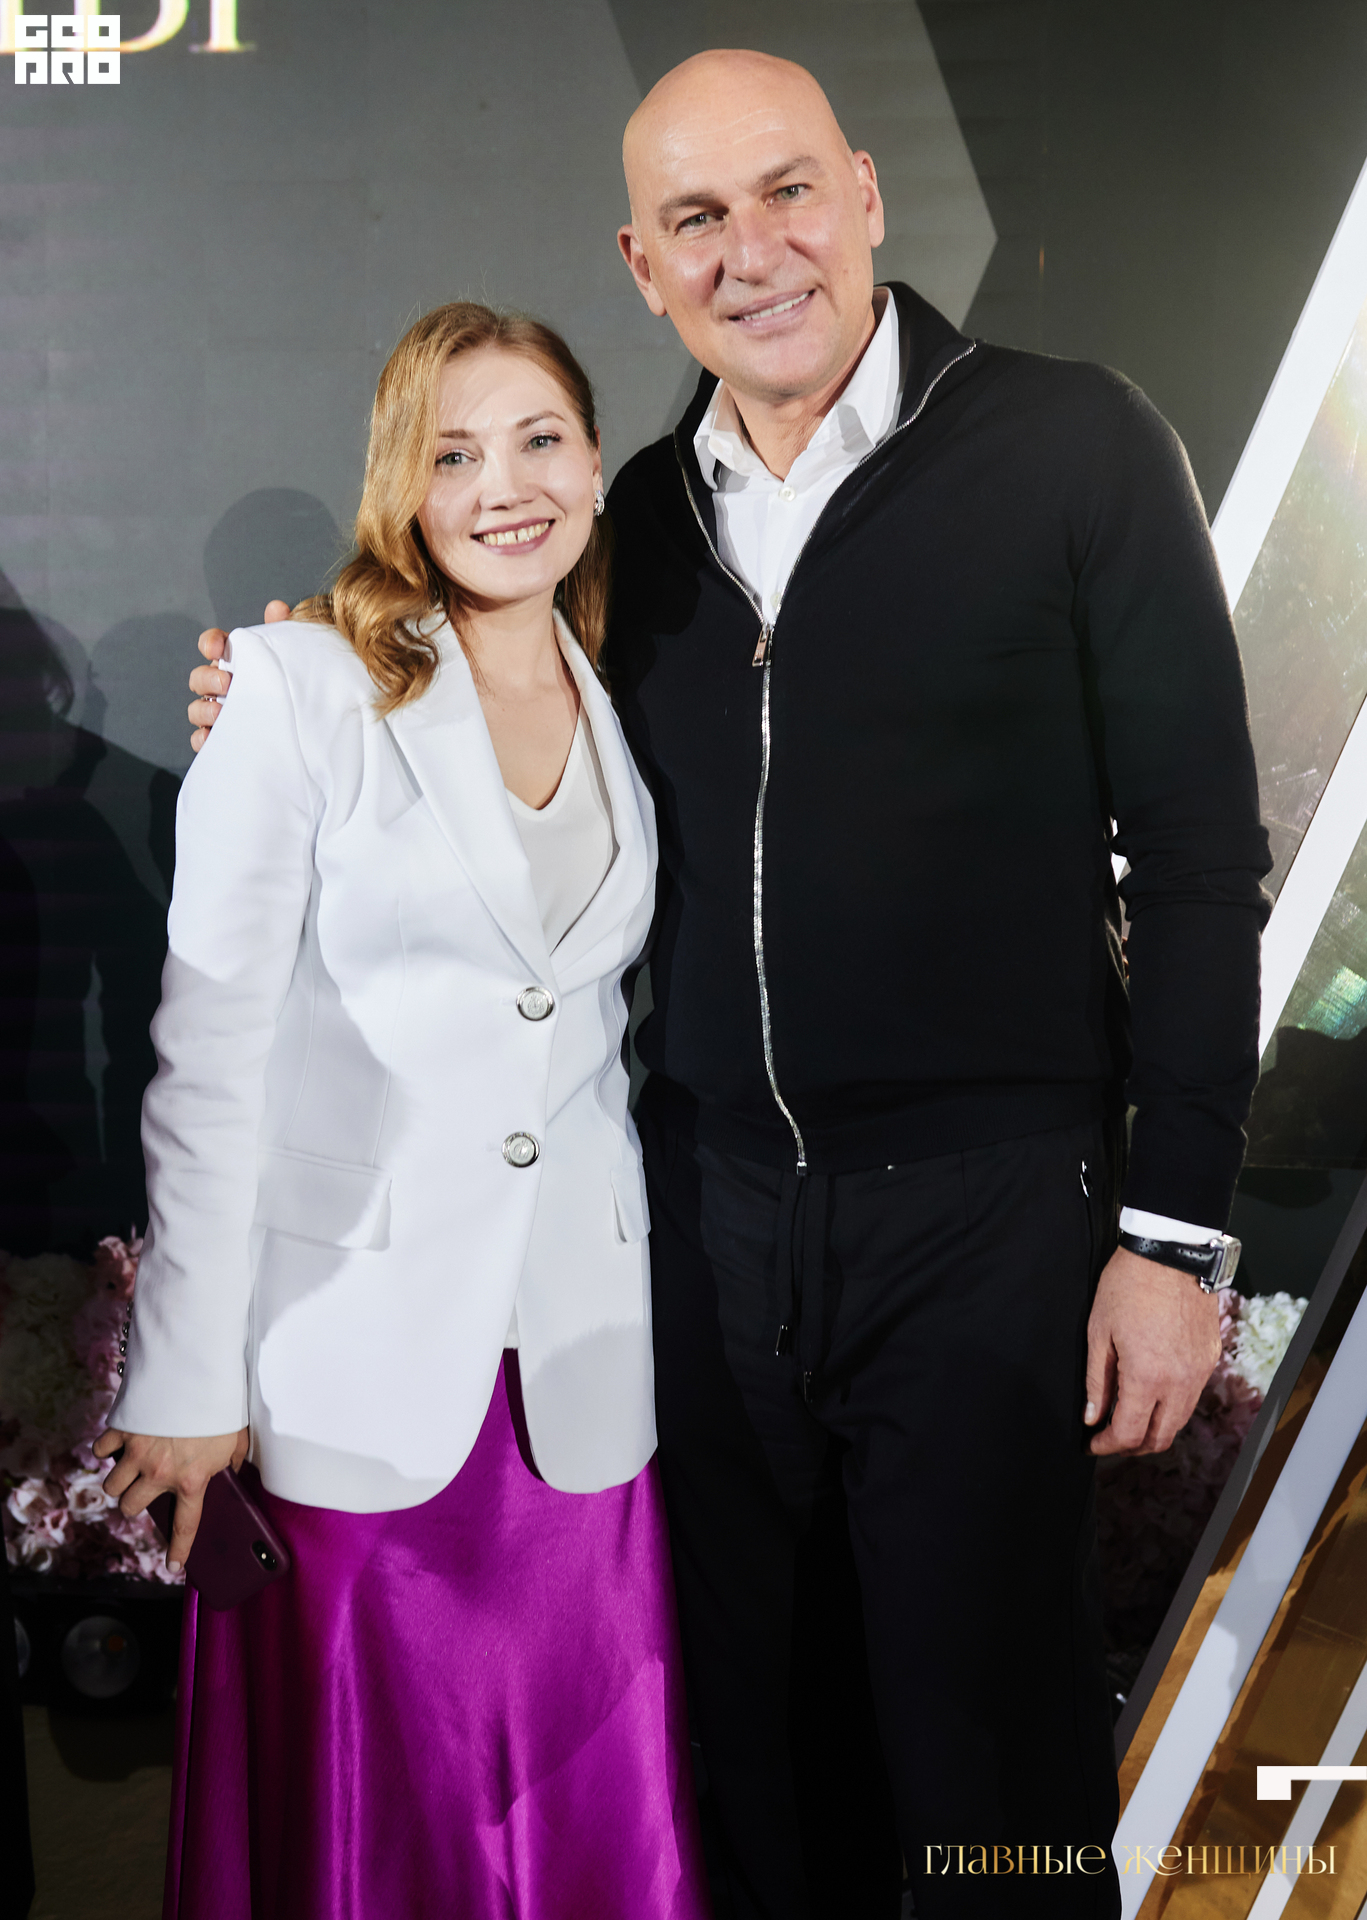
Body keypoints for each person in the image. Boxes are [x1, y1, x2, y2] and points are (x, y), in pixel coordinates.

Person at [188, 50, 1271, 1920]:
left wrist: (1172, 1240)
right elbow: (460, 686)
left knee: (993, 1779)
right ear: (641, 262)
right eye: (696, 219)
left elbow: (1194, 862)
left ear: (865, 194)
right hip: (701, 1231)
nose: (751, 252)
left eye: (787, 194)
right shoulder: (627, 528)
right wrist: (295, 672)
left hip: (986, 1226)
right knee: (760, 1773)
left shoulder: (1075, 444)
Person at [97, 302, 710, 1920]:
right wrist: (188, 1374)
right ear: (403, 489)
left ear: (596, 463)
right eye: (454, 454)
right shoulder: (299, 684)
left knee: (580, 1812)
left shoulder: (622, 695)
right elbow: (210, 1054)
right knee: (377, 1821)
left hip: (579, 1380)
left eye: (540, 439)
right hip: (352, 1371)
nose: (504, 485)